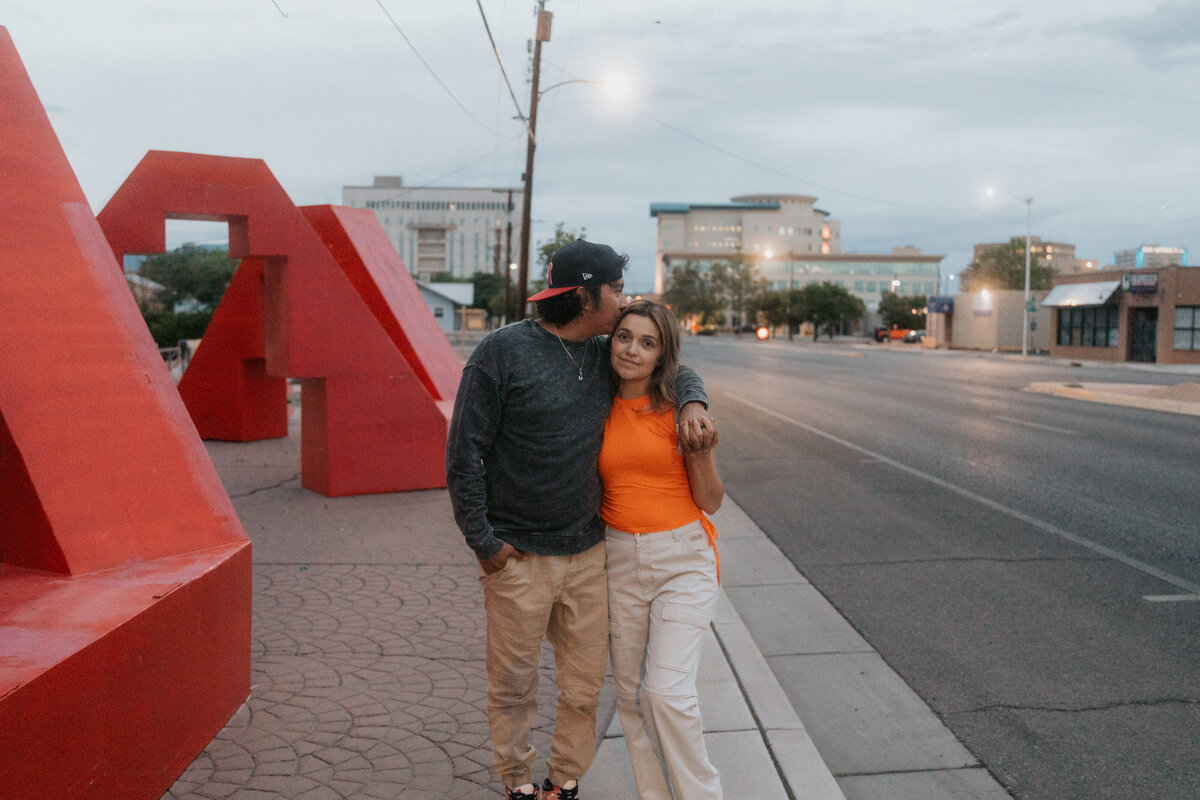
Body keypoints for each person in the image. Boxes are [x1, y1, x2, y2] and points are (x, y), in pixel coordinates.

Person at [445, 240, 714, 800]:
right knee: (515, 686)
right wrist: (483, 542)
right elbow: (463, 452)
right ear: (587, 294)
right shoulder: (501, 353)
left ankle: (563, 780)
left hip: (591, 554)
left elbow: (673, 367)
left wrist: (694, 404)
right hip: (517, 555)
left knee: (586, 686)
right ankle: (517, 783)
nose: (622, 299)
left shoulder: (602, 353)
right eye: (615, 289)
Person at [600, 300, 723, 800]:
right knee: (630, 699)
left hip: (683, 560)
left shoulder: (680, 411)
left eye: (647, 342)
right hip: (617, 559)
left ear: (662, 354)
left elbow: (710, 501)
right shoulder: (594, 398)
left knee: (666, 694)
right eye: (624, 336)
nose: (632, 349)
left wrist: (704, 451)